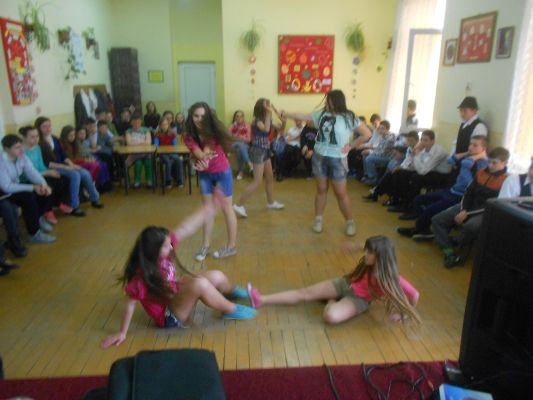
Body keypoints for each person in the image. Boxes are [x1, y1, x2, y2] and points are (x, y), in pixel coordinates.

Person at [100, 200, 256, 348]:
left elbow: (185, 228)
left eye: (170, 243)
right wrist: (122, 333)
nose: (171, 247)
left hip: (175, 295)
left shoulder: (164, 250)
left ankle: (231, 291)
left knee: (217, 275)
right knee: (200, 284)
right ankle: (230, 310)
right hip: (170, 317)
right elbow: (130, 304)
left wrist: (208, 209)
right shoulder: (141, 278)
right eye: (167, 246)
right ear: (154, 251)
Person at [248, 236, 420, 326]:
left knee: (330, 316)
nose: (365, 254)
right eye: (366, 250)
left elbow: (415, 295)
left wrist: (404, 313)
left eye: (369, 252)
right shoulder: (374, 256)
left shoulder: (393, 278)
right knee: (304, 293)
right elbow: (370, 246)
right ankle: (261, 299)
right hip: (346, 283)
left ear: (380, 257)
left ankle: (331, 300)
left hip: (359, 300)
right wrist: (356, 246)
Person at [281, 89, 372, 236]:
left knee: (340, 193)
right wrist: (287, 114)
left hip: (338, 159)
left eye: (328, 100)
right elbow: (304, 115)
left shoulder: (349, 117)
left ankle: (350, 222)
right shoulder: (322, 115)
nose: (326, 103)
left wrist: (350, 146)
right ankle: (318, 220)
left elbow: (367, 134)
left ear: (336, 101)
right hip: (319, 157)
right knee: (321, 189)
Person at [397, 135, 488, 240]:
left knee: (431, 208)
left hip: (461, 197)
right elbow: (450, 160)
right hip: (452, 190)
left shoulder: (483, 163)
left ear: (483, 149)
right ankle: (426, 225)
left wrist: (469, 161)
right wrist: (467, 154)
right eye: (470, 144)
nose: (470, 147)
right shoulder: (470, 158)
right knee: (419, 199)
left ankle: (420, 229)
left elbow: (467, 184)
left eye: (475, 145)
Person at [431, 147, 509, 268]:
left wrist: (468, 213)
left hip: (485, 211)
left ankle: (459, 248)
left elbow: (492, 203)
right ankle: (449, 251)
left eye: (494, 163)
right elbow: (468, 192)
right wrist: (464, 209)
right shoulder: (481, 172)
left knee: (470, 227)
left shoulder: (507, 180)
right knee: (437, 220)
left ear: (505, 163)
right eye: (489, 161)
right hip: (468, 206)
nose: (490, 165)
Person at [183, 102, 239, 261]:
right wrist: (202, 161)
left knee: (227, 208)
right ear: (191, 116)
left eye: (203, 116)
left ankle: (231, 247)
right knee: (207, 210)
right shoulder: (188, 135)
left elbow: (207, 150)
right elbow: (199, 152)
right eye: (196, 116)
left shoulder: (213, 132)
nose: (199, 119)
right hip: (205, 175)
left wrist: (204, 160)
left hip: (222, 173)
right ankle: (205, 246)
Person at [35, 117, 104, 215]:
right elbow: (47, 163)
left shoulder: (54, 138)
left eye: (49, 126)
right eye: (44, 126)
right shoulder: (39, 143)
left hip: (62, 165)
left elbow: (63, 155)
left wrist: (72, 165)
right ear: (38, 128)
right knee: (75, 175)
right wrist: (66, 167)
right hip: (51, 168)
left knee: (84, 172)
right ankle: (74, 206)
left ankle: (94, 199)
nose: (48, 128)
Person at [233, 98, 286, 218]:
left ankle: (271, 202)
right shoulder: (257, 121)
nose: (269, 106)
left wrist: (283, 120)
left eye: (269, 104)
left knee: (270, 176)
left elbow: (280, 129)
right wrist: (269, 113)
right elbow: (266, 130)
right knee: (257, 181)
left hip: (265, 150)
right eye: (266, 105)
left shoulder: (267, 119)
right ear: (261, 107)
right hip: (258, 151)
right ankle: (238, 205)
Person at [0, 134, 56, 244]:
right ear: (6, 149)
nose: (21, 149)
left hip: (14, 188)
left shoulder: (22, 157)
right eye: (17, 147)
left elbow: (32, 172)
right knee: (29, 197)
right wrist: (33, 187)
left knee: (44, 191)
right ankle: (34, 234)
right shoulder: (1, 162)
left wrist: (43, 184)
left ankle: (38, 218)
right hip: (3, 193)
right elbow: (6, 187)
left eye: (20, 146)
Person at [21, 126, 72, 223]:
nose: (36, 139)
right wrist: (47, 173)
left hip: (41, 174)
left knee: (64, 179)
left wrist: (50, 172)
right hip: (28, 179)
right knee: (48, 184)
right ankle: (48, 211)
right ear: (24, 138)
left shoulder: (37, 147)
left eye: (37, 136)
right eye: (32, 137)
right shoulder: (21, 152)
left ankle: (58, 203)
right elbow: (26, 173)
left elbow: (41, 165)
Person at [361, 120, 396, 186]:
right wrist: (369, 151)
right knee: (364, 155)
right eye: (379, 128)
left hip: (388, 157)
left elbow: (382, 152)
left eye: (382, 128)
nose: (380, 130)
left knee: (369, 158)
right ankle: (367, 175)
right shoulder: (382, 136)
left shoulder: (390, 138)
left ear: (388, 129)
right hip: (382, 155)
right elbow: (378, 148)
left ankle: (373, 179)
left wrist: (370, 152)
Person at [125, 113, 153, 189]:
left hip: (146, 153)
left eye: (138, 122)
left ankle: (149, 181)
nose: (137, 124)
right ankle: (137, 181)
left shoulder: (146, 130)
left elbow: (148, 142)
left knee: (148, 163)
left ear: (141, 122)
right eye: (134, 122)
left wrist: (135, 142)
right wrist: (142, 142)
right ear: (131, 122)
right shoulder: (128, 131)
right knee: (138, 163)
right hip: (134, 155)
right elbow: (129, 143)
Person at [154, 117, 184, 188]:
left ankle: (179, 180)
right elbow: (156, 145)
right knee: (168, 161)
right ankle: (168, 181)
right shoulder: (157, 134)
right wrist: (158, 147)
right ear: (160, 126)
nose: (164, 126)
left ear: (168, 125)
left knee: (178, 160)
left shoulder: (172, 133)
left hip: (172, 152)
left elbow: (174, 144)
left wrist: (172, 149)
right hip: (162, 153)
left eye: (166, 124)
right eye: (163, 124)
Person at [229, 110, 253, 181]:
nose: (239, 118)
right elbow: (228, 138)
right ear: (235, 118)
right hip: (233, 145)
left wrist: (237, 138)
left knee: (240, 149)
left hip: (245, 146)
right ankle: (249, 163)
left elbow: (249, 140)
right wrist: (240, 138)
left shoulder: (247, 125)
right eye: (237, 116)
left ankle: (241, 172)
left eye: (241, 116)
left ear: (243, 117)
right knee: (240, 144)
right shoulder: (232, 126)